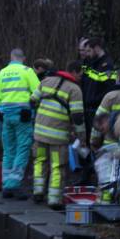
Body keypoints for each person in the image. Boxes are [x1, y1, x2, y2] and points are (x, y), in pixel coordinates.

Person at [30, 60, 86, 208]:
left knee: (39, 161)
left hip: (39, 133)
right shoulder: (75, 89)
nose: (81, 78)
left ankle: (38, 192)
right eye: (80, 75)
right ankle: (54, 199)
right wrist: (81, 137)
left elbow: (32, 101)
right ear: (74, 72)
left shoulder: (46, 81)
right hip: (58, 136)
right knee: (57, 166)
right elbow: (78, 117)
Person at [0, 48, 40, 198]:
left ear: (11, 57)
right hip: (23, 115)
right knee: (22, 148)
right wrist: (33, 105)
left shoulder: (1, 73)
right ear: (23, 58)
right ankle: (14, 184)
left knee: (9, 150)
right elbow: (38, 90)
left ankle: (6, 183)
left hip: (5, 115)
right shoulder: (27, 71)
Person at [79, 37, 117, 141]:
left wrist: (95, 101)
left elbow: (109, 89)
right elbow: (84, 83)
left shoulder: (107, 65)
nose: (87, 54)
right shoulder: (90, 63)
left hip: (98, 110)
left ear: (96, 48)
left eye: (89, 51)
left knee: (96, 141)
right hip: (88, 109)